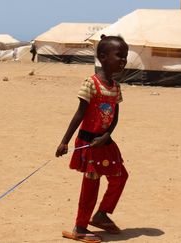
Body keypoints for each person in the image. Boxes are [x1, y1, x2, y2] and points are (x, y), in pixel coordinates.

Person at [56, 35, 129, 243]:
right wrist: (65, 141)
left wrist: (107, 135)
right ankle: (80, 226)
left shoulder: (115, 86)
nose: (123, 60)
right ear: (103, 57)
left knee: (120, 176)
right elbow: (79, 113)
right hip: (88, 142)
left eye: (125, 56)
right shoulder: (91, 83)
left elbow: (114, 116)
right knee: (91, 185)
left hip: (105, 142)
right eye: (119, 56)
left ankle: (102, 215)